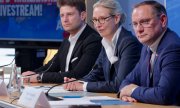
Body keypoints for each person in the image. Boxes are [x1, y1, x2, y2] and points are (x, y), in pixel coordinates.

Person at [63, 0, 142, 93]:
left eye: (102, 19)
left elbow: (120, 84)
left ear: (116, 18)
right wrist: (77, 82)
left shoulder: (129, 43)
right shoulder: (106, 41)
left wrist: (83, 86)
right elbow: (96, 74)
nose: (97, 25)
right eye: (95, 20)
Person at [22, 0, 102, 83]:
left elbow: (78, 75)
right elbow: (51, 67)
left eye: (69, 14)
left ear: (82, 15)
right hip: (66, 91)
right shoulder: (66, 41)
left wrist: (40, 77)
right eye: (62, 15)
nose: (65, 20)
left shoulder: (93, 40)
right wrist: (33, 74)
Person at [119, 1, 180, 105]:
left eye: (145, 22)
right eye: (135, 24)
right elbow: (126, 81)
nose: (139, 29)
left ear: (163, 20)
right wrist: (125, 93)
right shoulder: (146, 48)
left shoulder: (172, 48)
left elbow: (163, 95)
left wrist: (132, 91)